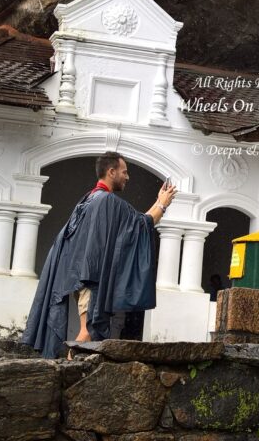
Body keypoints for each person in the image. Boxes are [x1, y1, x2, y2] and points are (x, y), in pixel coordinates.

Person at [21, 152, 177, 358]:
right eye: (124, 172)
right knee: (88, 332)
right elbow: (142, 225)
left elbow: (137, 223)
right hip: (92, 279)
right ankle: (68, 373)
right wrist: (163, 204)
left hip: (81, 275)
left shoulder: (90, 199)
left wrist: (158, 202)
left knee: (90, 333)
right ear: (111, 172)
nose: (128, 177)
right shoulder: (107, 202)